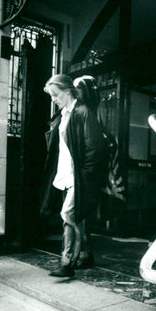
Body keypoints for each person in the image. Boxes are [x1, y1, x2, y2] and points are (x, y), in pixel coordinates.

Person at [40, 74, 107, 277]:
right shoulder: (64, 115)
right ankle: (82, 255)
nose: (53, 99)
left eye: (55, 94)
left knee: (68, 214)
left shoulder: (83, 112)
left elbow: (94, 150)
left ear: (68, 91)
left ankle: (67, 263)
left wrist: (84, 178)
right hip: (66, 175)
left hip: (78, 177)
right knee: (76, 218)